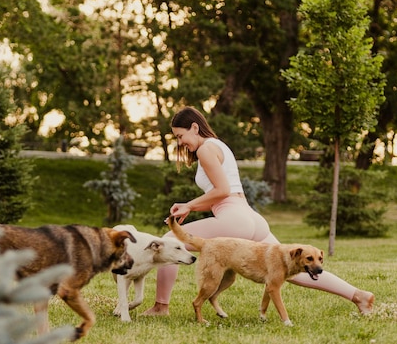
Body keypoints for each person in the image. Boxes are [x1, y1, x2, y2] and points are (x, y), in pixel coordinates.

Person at [142, 106, 374, 316]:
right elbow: (225, 191)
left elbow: (222, 191)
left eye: (180, 136)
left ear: (195, 127)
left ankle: (161, 307)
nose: (180, 142)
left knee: (170, 241)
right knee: (290, 268)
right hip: (251, 218)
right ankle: (359, 296)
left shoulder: (205, 150)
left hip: (233, 217)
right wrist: (191, 207)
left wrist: (189, 204)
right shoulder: (219, 146)